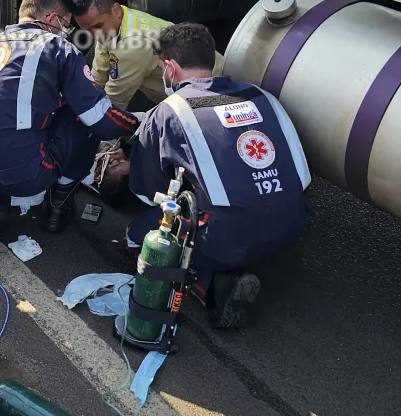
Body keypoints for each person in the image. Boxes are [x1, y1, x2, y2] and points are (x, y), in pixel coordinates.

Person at [127, 23, 311, 329]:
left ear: (170, 68)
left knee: (140, 237)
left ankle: (210, 284)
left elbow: (149, 192)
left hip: (229, 239)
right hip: (291, 225)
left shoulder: (170, 111)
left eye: (161, 68)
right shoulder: (261, 96)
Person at [0, 0, 138, 232]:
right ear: (52, 18)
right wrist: (140, 121)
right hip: (25, 176)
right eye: (67, 24)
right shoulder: (58, 47)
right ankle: (58, 207)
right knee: (82, 116)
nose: (67, 31)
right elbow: (100, 120)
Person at [73, 0, 223, 110]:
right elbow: (98, 75)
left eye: (98, 26)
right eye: (87, 30)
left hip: (213, 95)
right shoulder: (113, 25)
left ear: (116, 10)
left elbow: (115, 99)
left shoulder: (134, 44)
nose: (95, 35)